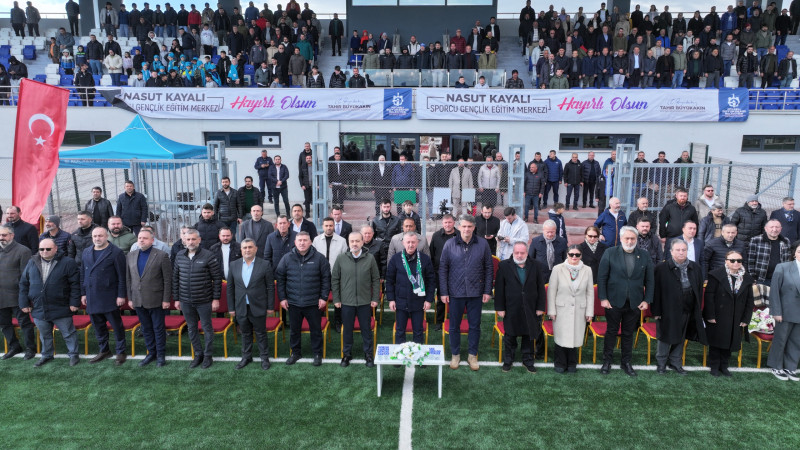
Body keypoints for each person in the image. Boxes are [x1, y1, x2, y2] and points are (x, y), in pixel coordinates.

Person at [598, 226, 655, 377]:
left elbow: (650, 280)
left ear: (636, 239)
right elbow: (602, 277)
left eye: (632, 238)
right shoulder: (610, 252)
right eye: (627, 238)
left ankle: (626, 362)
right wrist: (603, 298)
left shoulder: (644, 255)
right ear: (621, 238)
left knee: (628, 333)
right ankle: (607, 361)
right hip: (613, 301)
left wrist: (647, 300)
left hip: (635, 302)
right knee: (611, 332)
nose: (629, 241)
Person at [439, 215, 494, 371]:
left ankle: (472, 355)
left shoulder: (483, 244)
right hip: (455, 293)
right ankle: (455, 354)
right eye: (464, 226)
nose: (466, 229)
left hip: (476, 292)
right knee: (454, 326)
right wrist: (444, 291)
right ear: (459, 227)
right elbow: (443, 269)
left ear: (474, 227)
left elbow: (489, 268)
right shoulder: (449, 244)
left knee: (475, 325)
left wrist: (487, 290)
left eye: (469, 226)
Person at [19, 238, 81, 367]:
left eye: (48, 249)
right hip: (39, 307)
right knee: (44, 335)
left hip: (61, 306)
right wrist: (24, 303)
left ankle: (73, 354)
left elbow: (75, 284)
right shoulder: (32, 262)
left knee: (68, 333)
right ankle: (46, 355)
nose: (44, 251)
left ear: (56, 249)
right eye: (41, 249)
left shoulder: (68, 262)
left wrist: (74, 302)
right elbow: (24, 283)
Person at [652, 239, 707, 375]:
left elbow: (698, 289)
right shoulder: (661, 268)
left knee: (681, 336)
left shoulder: (695, 267)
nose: (681, 252)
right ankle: (661, 363)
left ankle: (675, 362)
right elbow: (655, 291)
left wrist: (696, 309)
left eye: (684, 250)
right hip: (667, 308)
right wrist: (656, 311)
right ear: (671, 252)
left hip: (688, 307)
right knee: (665, 336)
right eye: (678, 250)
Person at [276, 232, 331, 366]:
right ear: (295, 242)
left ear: (310, 242)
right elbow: (280, 279)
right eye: (299, 240)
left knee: (316, 330)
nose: (302, 243)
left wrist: (323, 297)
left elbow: (326, 279)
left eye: (305, 240)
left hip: (313, 303)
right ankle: (295, 353)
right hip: (293, 302)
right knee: (294, 330)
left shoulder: (320, 258)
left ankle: (317, 353)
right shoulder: (286, 258)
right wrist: (282, 298)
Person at [172, 228, 222, 369]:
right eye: (188, 239)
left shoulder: (208, 255)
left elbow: (217, 279)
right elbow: (175, 278)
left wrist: (216, 298)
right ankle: (198, 354)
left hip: (204, 300)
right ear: (184, 240)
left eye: (194, 239)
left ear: (199, 240)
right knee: (192, 328)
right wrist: (176, 298)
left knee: (207, 328)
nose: (191, 242)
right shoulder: (180, 255)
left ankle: (208, 355)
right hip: (185, 301)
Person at [495, 241, 546, 373]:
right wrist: (500, 308)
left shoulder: (536, 265)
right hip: (511, 307)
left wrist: (540, 307)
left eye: (522, 253)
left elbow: (540, 287)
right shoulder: (504, 265)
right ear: (513, 252)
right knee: (510, 336)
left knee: (529, 335)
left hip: (530, 307)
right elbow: (499, 288)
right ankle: (508, 360)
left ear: (527, 253)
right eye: (516, 252)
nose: (519, 255)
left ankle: (528, 360)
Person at [80, 227, 128, 366]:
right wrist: (83, 293)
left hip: (109, 296)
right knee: (98, 326)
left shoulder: (116, 252)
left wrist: (121, 295)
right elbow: (83, 274)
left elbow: (122, 276)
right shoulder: (86, 252)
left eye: (100, 235)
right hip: (92, 295)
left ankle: (121, 351)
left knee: (116, 326)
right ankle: (104, 350)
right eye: (95, 236)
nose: (97, 238)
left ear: (106, 236)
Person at [332, 231, 380, 367]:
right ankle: (347, 354)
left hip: (365, 302)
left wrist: (375, 298)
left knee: (366, 329)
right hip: (346, 302)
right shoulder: (341, 258)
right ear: (348, 243)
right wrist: (336, 299)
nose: (354, 243)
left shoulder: (370, 258)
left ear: (362, 242)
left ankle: (368, 354)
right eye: (352, 241)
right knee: (347, 329)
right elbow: (335, 279)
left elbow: (376, 280)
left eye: (357, 241)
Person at [703, 250, 754, 377]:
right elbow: (709, 296)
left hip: (737, 316)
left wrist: (746, 318)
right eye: (732, 260)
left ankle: (724, 366)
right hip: (718, 315)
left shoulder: (747, 278)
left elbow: (749, 300)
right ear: (726, 261)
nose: (736, 263)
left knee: (730, 340)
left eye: (739, 260)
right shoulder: (715, 275)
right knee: (716, 341)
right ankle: (714, 366)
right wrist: (710, 315)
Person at [125, 228, 172, 367]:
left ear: (152, 240)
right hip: (138, 299)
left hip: (156, 299)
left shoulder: (161, 255)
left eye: (145, 238)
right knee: (146, 328)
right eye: (139, 238)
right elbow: (129, 279)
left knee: (158, 328)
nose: (141, 240)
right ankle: (151, 353)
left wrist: (166, 299)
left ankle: (161, 355)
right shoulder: (131, 255)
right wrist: (130, 298)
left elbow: (167, 280)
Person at [227, 238, 274, 371]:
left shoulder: (265, 264)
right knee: (245, 333)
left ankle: (264, 358)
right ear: (241, 250)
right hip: (241, 306)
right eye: (245, 247)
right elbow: (230, 288)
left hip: (258, 306)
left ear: (255, 249)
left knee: (261, 333)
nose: (247, 250)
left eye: (250, 247)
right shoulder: (234, 265)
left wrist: (270, 306)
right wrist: (231, 308)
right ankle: (246, 357)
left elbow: (270, 287)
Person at [547, 244, 594, 373]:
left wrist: (589, 312)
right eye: (571, 254)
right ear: (567, 255)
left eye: (577, 254)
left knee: (575, 336)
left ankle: (572, 363)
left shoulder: (587, 270)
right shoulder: (557, 269)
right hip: (561, 309)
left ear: (581, 256)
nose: (574, 257)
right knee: (561, 337)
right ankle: (560, 363)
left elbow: (590, 292)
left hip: (580, 309)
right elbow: (551, 291)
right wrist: (551, 310)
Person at [386, 231, 434, 347]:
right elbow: (390, 280)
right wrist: (391, 299)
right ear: (403, 243)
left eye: (413, 242)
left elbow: (431, 281)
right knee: (400, 331)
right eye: (408, 242)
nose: (410, 245)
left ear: (417, 243)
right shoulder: (396, 259)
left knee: (418, 331)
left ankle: (419, 355)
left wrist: (428, 300)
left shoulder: (425, 259)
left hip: (418, 301)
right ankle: (399, 354)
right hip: (401, 301)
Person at [766, 242, 800, 380]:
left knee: (797, 342)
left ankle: (790, 367)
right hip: (785, 312)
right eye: (799, 251)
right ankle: (776, 366)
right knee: (780, 340)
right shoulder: (783, 267)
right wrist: (776, 311)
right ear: (794, 253)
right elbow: (774, 291)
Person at [0, 224, 35, 360]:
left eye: (4, 235)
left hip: (18, 295)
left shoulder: (23, 251)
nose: (1, 238)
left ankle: (30, 348)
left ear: (12, 236)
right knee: (4, 324)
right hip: (1, 296)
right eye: (0, 235)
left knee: (24, 323)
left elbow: (26, 277)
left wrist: (25, 298)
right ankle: (14, 347)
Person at [312, 217, 347, 331]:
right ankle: (320, 319)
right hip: (320, 276)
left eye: (331, 225)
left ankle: (338, 321)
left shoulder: (342, 241)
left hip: (336, 276)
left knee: (338, 299)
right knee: (320, 297)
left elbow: (344, 259)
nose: (328, 228)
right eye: (326, 225)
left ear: (334, 226)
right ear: (322, 227)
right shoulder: (316, 240)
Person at [747, 219, 791, 286]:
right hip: (761, 279)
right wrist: (752, 277)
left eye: (777, 227)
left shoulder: (785, 241)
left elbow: (788, 260)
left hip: (780, 279)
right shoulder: (756, 240)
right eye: (771, 227)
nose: (774, 229)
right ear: (766, 228)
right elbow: (750, 260)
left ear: (781, 229)